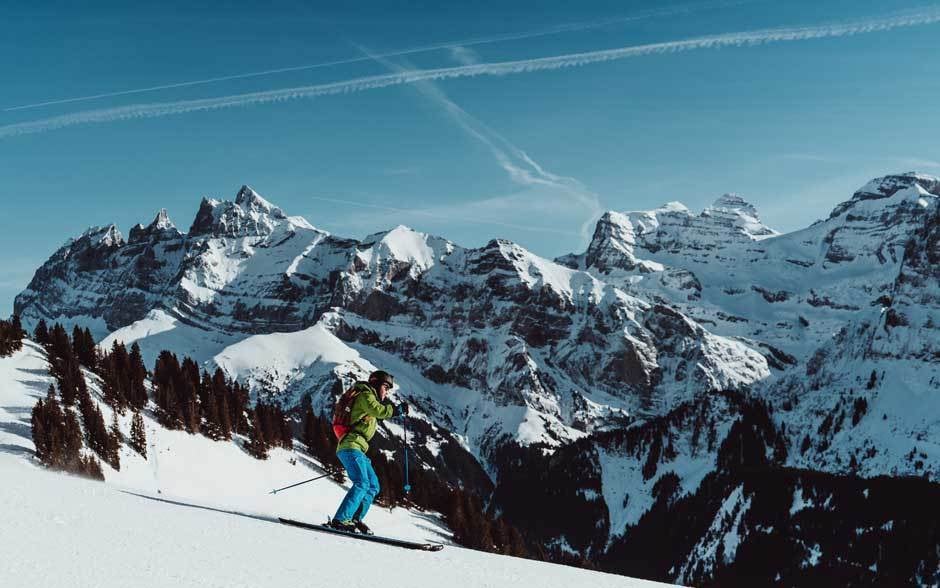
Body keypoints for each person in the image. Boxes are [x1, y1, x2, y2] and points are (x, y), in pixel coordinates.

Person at [328, 370, 409, 535]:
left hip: (358, 448)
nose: (386, 392)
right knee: (362, 482)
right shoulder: (365, 394)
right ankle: (341, 519)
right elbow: (378, 410)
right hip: (351, 446)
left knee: (373, 486)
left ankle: (354, 519)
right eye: (386, 388)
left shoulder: (368, 397)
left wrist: (394, 410)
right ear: (378, 385)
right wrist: (396, 410)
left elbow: (376, 413)